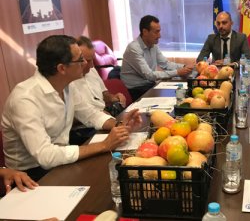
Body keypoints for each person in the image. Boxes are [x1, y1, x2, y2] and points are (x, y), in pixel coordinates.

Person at [1, 35, 142, 181]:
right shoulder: (25, 99)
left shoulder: (68, 85)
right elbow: (45, 156)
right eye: (81, 59)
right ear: (62, 68)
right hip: (30, 175)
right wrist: (104, 145)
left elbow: (90, 114)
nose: (86, 64)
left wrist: (120, 125)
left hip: (61, 160)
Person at [121, 15, 194, 101]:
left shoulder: (153, 45)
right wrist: (178, 72)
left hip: (150, 85)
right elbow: (149, 75)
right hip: (136, 90)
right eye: (156, 32)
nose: (159, 36)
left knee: (183, 95)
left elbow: (166, 64)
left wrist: (185, 67)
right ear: (145, 32)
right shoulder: (133, 48)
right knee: (174, 99)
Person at [72, 36, 126, 117]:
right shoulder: (68, 80)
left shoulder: (92, 70)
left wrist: (113, 97)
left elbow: (104, 93)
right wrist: (95, 115)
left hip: (102, 116)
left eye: (92, 60)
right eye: (86, 60)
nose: (91, 65)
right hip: (85, 124)